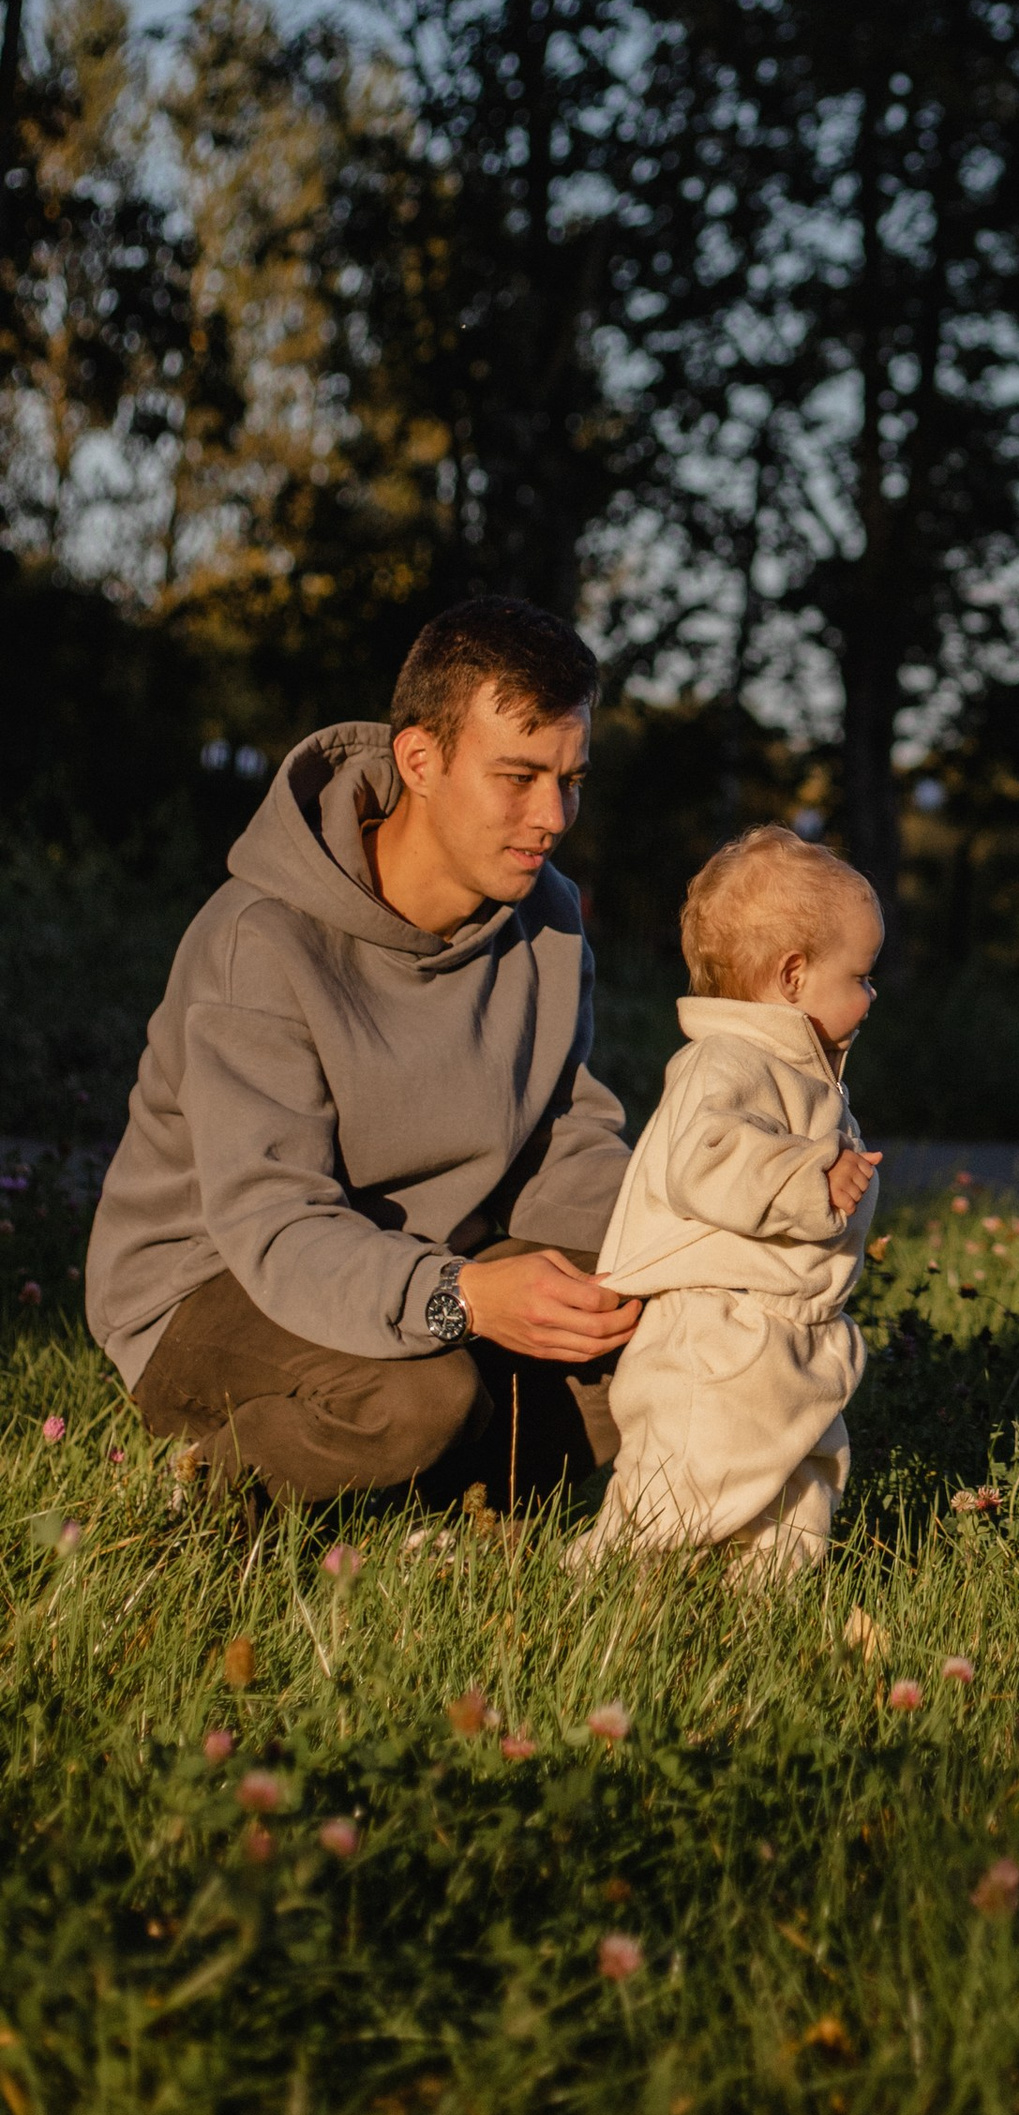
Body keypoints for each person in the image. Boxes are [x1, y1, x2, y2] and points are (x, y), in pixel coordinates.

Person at [86, 598, 638, 1508]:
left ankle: (413, 1497)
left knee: (651, 1330)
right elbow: (276, 1225)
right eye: (518, 776)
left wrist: (701, 1233)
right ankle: (202, 1496)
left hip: (417, 1267)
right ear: (420, 760)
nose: (552, 816)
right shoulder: (259, 941)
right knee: (419, 1396)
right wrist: (469, 1297)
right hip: (212, 1281)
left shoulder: (547, 920)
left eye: (571, 780)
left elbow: (562, 1146)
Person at [577, 827, 884, 1575]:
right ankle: (598, 1590)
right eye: (861, 977)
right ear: (792, 975)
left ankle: (763, 1613)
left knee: (798, 1495)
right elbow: (707, 1159)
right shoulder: (724, 1061)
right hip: (719, 1340)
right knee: (681, 1488)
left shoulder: (799, 1067)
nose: (872, 997)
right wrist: (809, 1178)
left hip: (795, 1339)